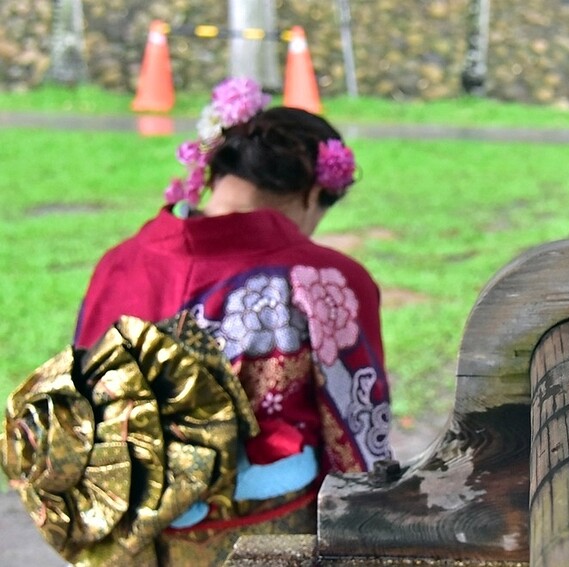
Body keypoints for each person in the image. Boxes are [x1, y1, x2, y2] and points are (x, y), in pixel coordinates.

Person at [72, 77, 393, 564]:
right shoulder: (322, 278)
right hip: (261, 529)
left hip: (126, 530)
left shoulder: (120, 262)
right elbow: (353, 432)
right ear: (312, 194)